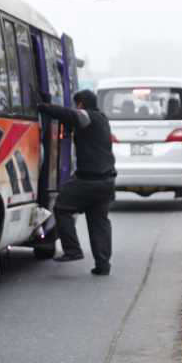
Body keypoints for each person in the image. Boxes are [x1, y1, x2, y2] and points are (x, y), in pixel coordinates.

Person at [38, 90, 116, 275]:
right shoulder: (103, 119)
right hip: (107, 181)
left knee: (62, 208)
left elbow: (71, 115)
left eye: (76, 104)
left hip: (89, 180)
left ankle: (72, 250)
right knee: (99, 222)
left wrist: (44, 107)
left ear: (80, 104)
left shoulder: (87, 116)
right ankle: (103, 265)